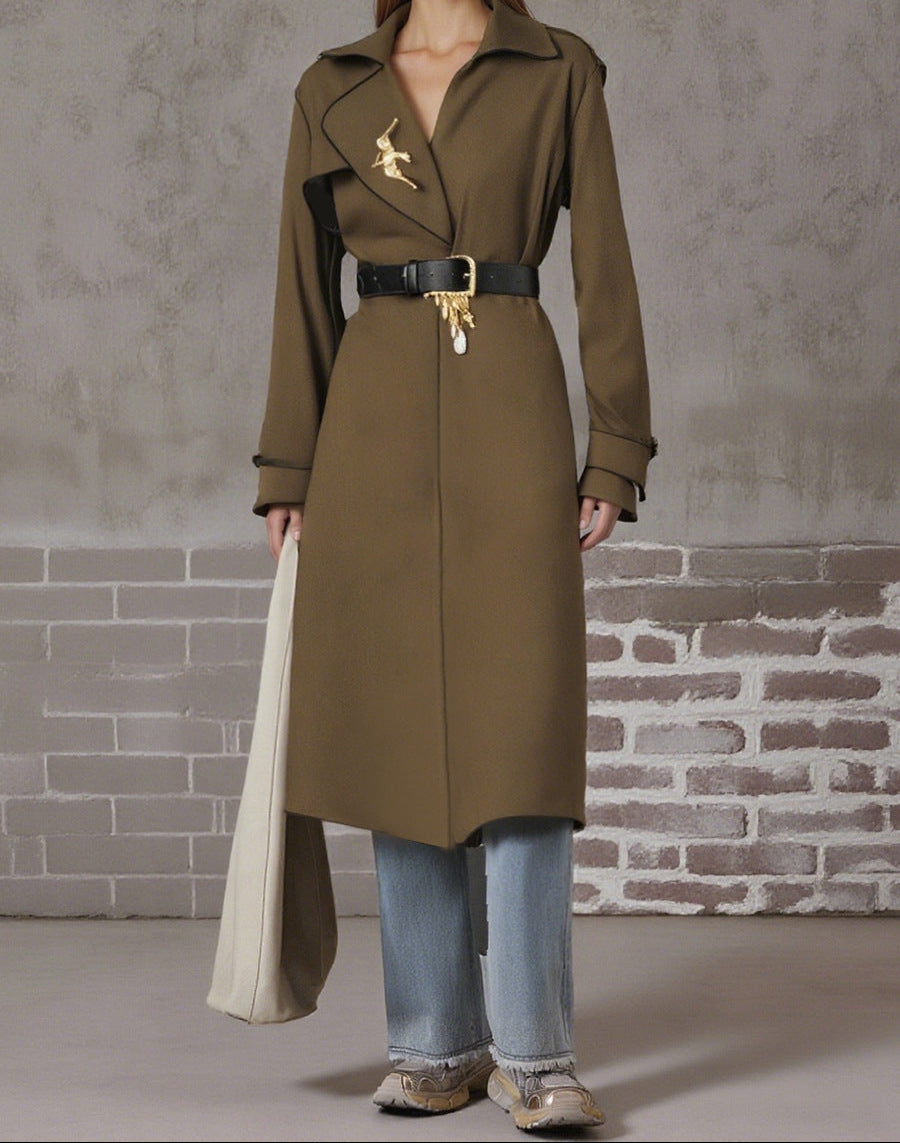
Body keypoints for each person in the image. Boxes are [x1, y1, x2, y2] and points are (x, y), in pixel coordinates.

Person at [252, 0, 656, 1131]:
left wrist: (614, 449)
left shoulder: (559, 69)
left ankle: (536, 1055)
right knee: (399, 733)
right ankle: (435, 1046)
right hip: (369, 427)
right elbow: (300, 287)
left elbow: (607, 268)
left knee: (522, 732)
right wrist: (289, 467)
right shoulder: (331, 86)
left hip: (511, 408)